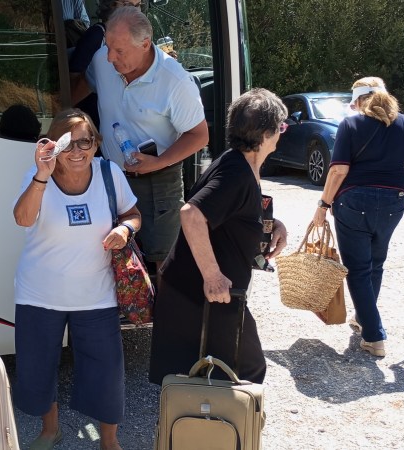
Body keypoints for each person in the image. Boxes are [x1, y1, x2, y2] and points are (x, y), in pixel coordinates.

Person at [12, 109, 140, 450]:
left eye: (86, 141)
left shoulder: (109, 173)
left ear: (96, 144)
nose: (77, 151)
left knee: (106, 372)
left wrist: (124, 229)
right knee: (39, 368)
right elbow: (23, 219)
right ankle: (49, 430)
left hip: (96, 294)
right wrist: (42, 174)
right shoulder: (38, 175)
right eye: (69, 143)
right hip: (39, 294)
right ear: (55, 145)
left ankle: (109, 441)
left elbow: (133, 214)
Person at [147, 89, 289, 385]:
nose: (281, 134)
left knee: (215, 378)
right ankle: (215, 430)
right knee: (242, 371)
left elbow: (229, 212)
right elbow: (192, 214)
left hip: (206, 294)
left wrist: (272, 224)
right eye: (281, 127)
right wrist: (213, 276)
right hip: (203, 295)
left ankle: (207, 430)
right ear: (266, 133)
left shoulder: (237, 163)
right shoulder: (236, 172)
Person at [311, 77, 404, 357]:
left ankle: (374, 335)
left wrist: (322, 205)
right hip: (394, 202)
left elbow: (338, 171)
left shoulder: (351, 124)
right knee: (375, 265)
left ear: (359, 101)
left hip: (354, 201)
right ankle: (363, 318)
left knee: (357, 269)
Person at [81, 5, 209, 273]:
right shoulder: (102, 61)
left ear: (145, 44)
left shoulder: (174, 81)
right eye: (108, 47)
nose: (110, 58)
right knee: (110, 256)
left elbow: (199, 135)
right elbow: (83, 87)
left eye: (119, 51)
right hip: (110, 176)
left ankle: (165, 314)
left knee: (164, 261)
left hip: (159, 180)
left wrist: (158, 162)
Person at [69, 0, 143, 128]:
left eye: (138, 5)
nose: (135, 11)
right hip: (93, 125)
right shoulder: (96, 36)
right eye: (129, 5)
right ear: (112, 5)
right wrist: (93, 79)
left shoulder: (131, 39)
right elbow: (71, 88)